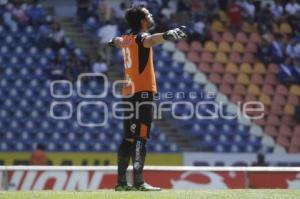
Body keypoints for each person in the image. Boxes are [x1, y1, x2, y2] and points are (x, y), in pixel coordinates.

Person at [108, 5, 187, 191]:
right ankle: (139, 182)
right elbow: (151, 39)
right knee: (140, 137)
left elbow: (115, 42)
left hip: (128, 94)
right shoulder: (141, 37)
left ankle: (120, 183)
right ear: (143, 21)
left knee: (128, 137)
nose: (151, 16)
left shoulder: (125, 39)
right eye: (148, 14)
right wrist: (169, 34)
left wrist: (112, 41)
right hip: (142, 93)